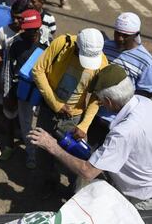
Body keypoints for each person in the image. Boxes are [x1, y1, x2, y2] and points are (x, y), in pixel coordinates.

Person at [29, 64, 152, 211]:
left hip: (138, 198)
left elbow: (88, 172)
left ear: (108, 101)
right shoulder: (144, 102)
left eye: (99, 100)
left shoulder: (123, 132)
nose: (99, 103)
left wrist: (52, 146)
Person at [32, 28, 108, 194]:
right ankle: (49, 183)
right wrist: (56, 104)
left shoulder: (101, 63)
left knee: (76, 159)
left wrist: (84, 125)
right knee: (44, 154)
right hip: (48, 111)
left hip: (74, 119)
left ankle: (76, 193)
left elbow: (97, 97)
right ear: (77, 45)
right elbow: (38, 70)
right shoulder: (62, 43)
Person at [89, 12, 152, 147]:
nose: (120, 38)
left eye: (125, 35)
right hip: (93, 115)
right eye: (117, 33)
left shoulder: (146, 61)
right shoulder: (105, 47)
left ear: (136, 35)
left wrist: (119, 102)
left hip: (117, 122)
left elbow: (145, 94)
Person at [9, 9, 47, 169]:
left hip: (42, 91)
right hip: (23, 90)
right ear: (23, 27)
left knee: (41, 123)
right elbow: (8, 69)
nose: (32, 32)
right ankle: (31, 154)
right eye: (29, 29)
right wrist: (8, 92)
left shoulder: (46, 43)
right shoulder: (15, 45)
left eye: (35, 29)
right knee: (26, 124)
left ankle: (43, 152)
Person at [0, 1, 27, 160]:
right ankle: (9, 145)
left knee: (25, 115)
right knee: (8, 115)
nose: (16, 21)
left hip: (26, 83)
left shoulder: (30, 32)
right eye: (14, 17)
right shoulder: (3, 31)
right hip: (8, 81)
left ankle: (27, 144)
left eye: (20, 18)